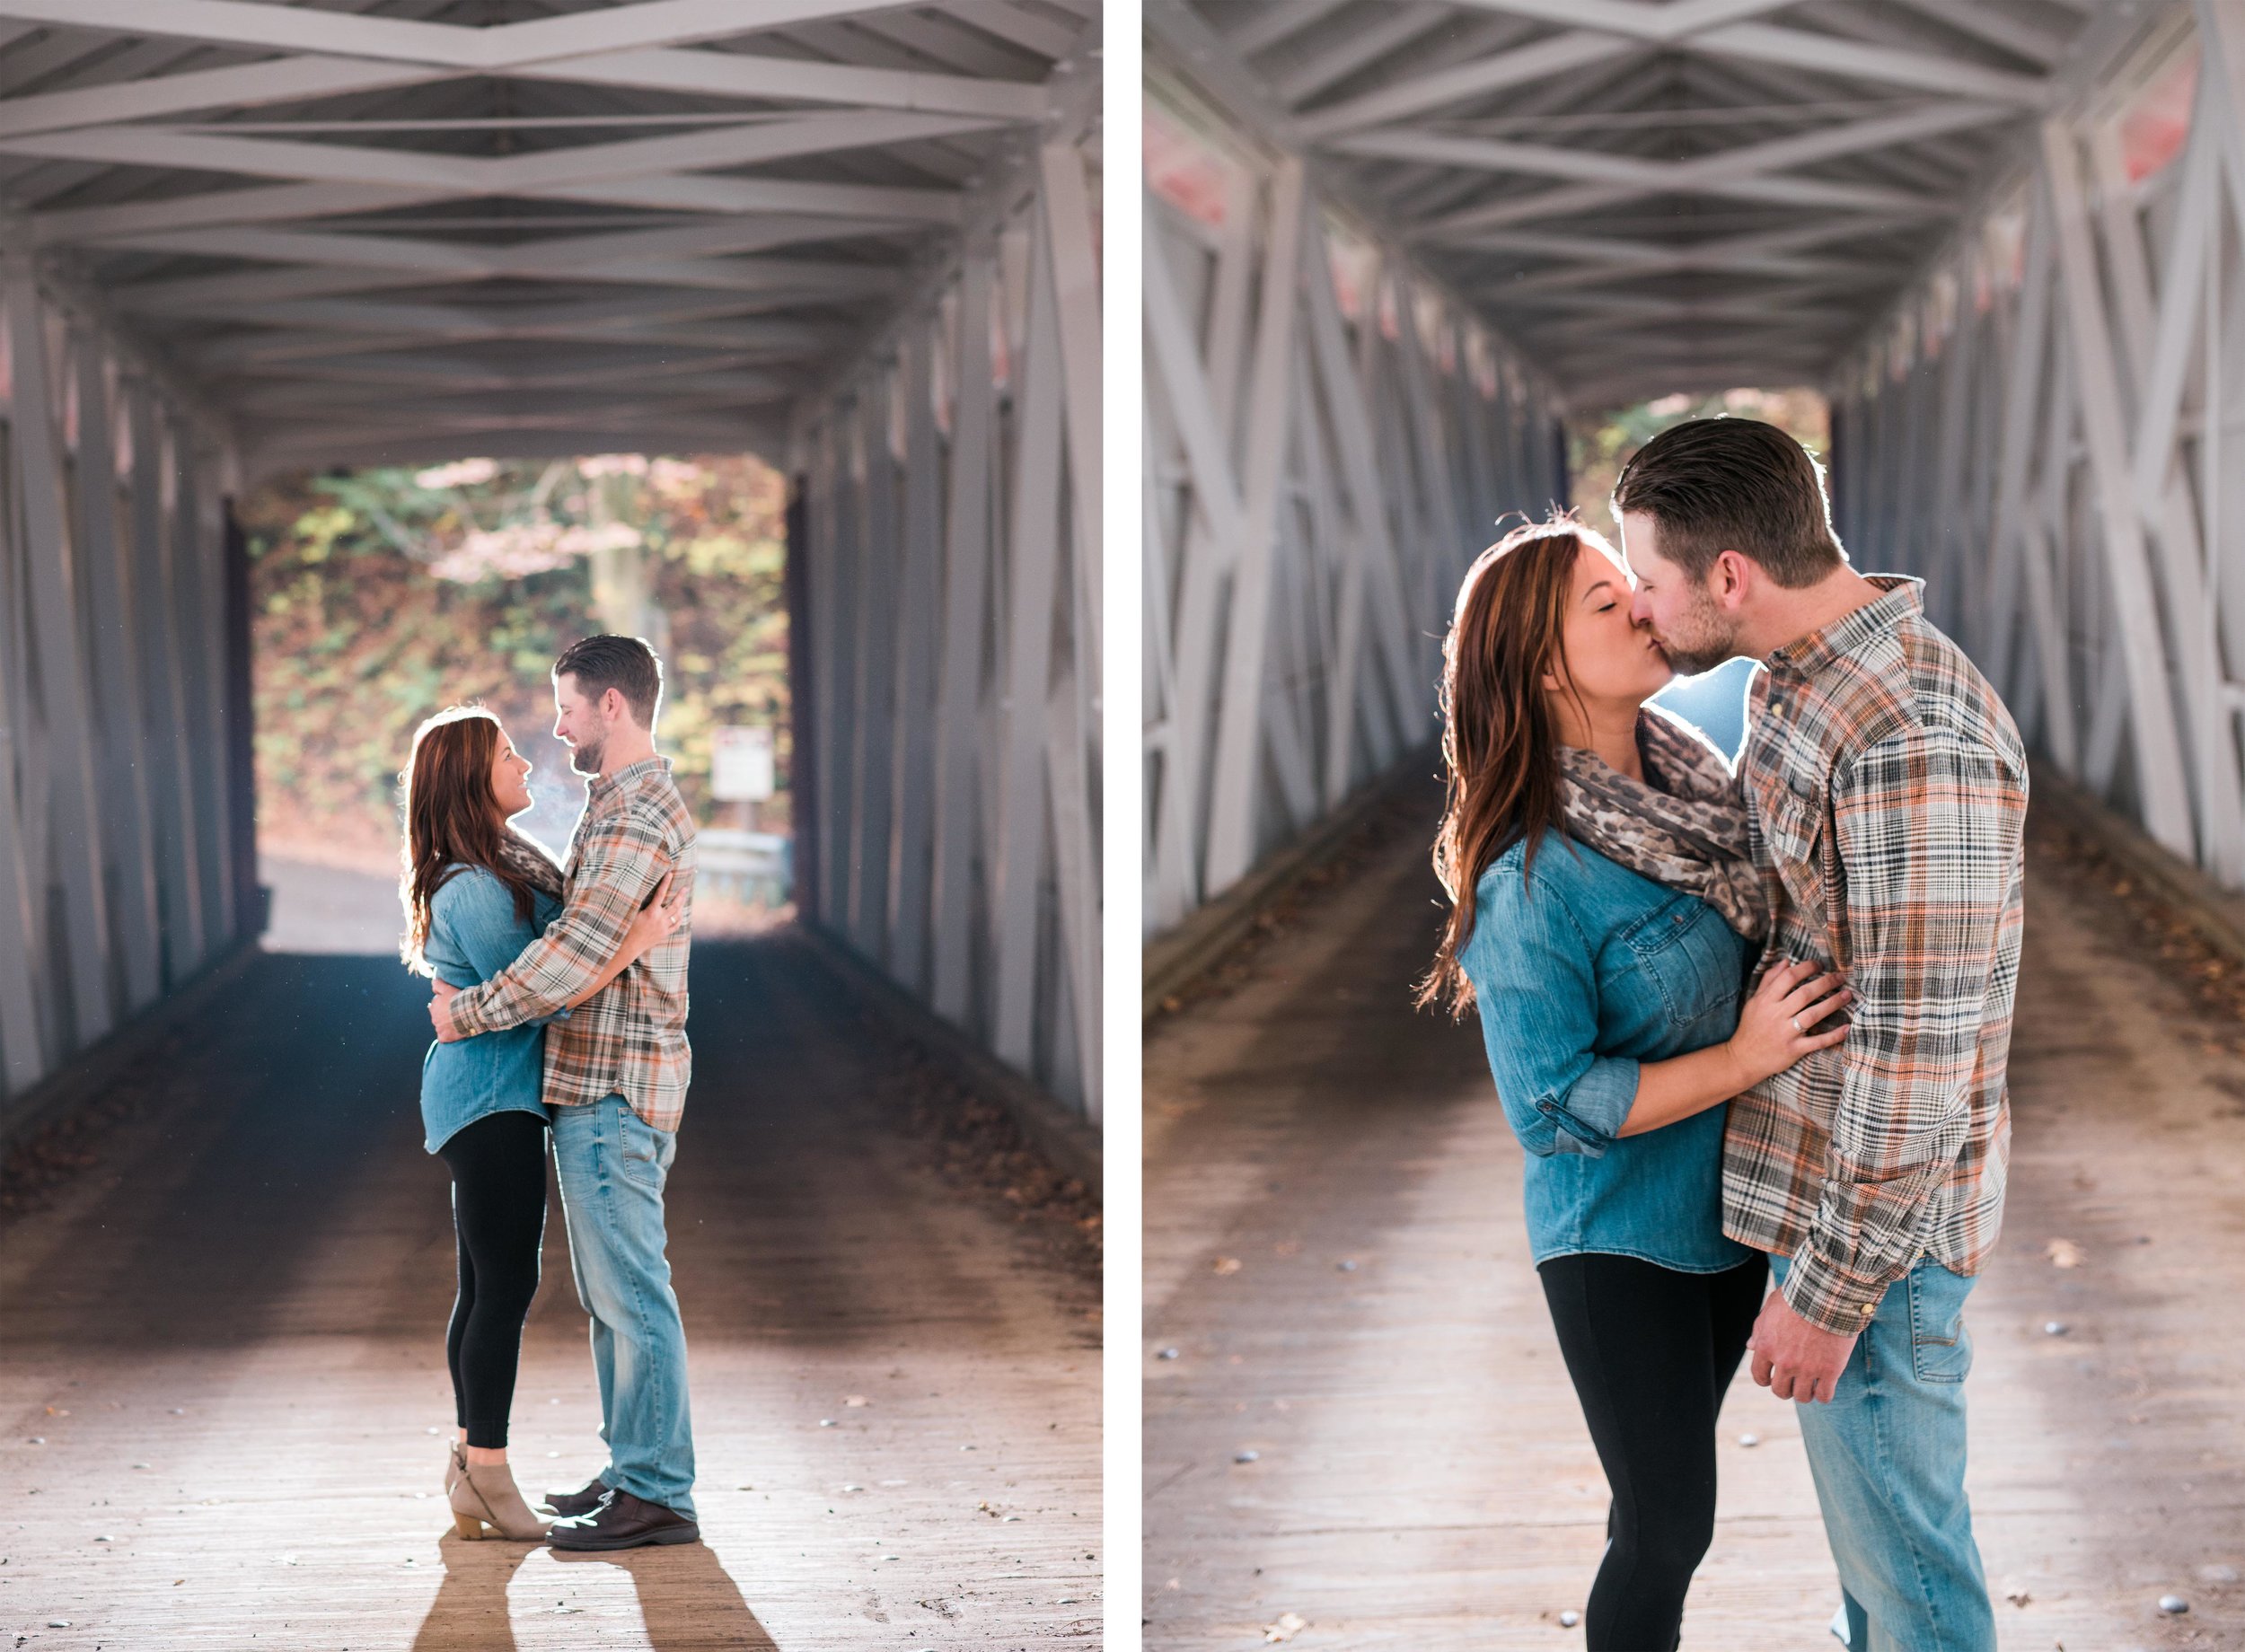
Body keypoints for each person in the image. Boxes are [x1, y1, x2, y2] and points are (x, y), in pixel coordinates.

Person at [1615, 417, 2026, 1652]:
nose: (1639, 608)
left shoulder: (1907, 735)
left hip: (1881, 1253)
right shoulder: (1802, 675)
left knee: (1915, 1599)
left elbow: (1917, 1060)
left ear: (1729, 575)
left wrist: (1830, 1296)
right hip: (1831, 1215)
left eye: (1646, 578)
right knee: (1879, 1593)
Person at [1422, 515, 1853, 1651]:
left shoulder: (1692, 773)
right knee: (1667, 1527)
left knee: (1652, 1515)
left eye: (1633, 590)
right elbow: (1551, 1108)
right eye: (1603, 607)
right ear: (1539, 661)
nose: (1643, 613)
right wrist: (1746, 1059)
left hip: (1729, 1213)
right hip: (1616, 1238)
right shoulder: (1528, 873)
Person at [428, 635, 702, 1552]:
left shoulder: (632, 817)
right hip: (592, 1082)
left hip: (616, 1082)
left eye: (569, 708)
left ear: (613, 706)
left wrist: (467, 1011)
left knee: (630, 1292)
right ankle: (633, 1471)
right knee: (611, 1295)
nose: (557, 728)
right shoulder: (610, 808)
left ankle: (658, 1488)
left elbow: (572, 956)